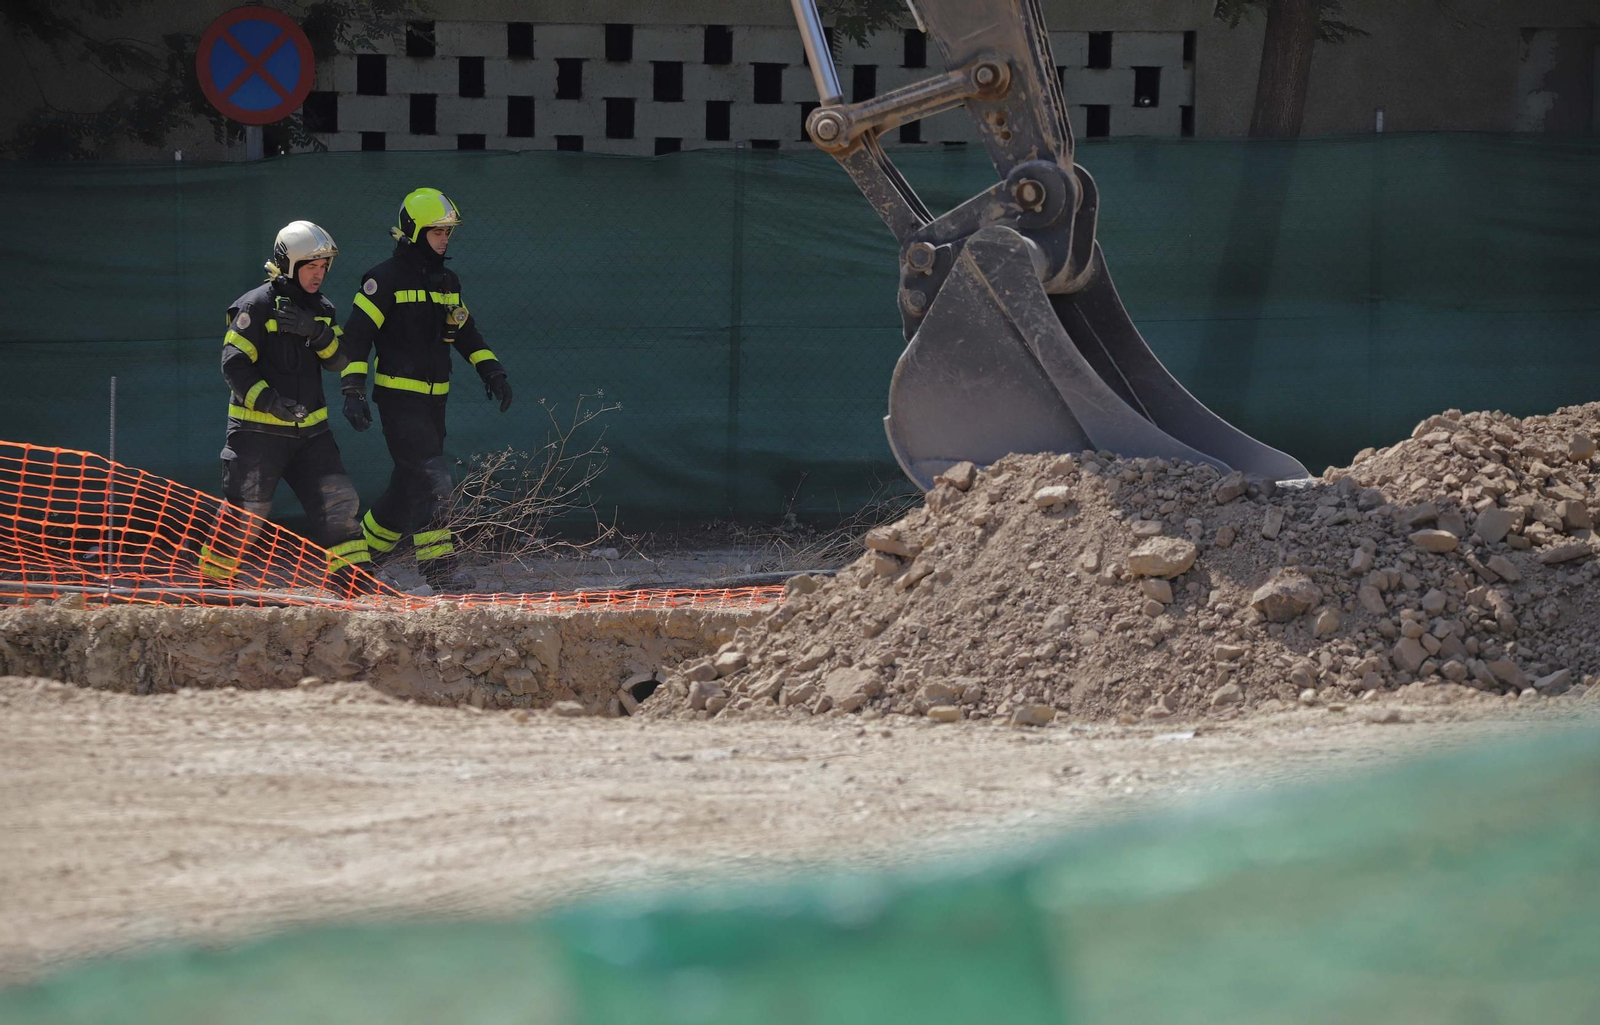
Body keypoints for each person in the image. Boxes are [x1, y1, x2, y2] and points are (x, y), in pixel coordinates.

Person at [338, 187, 512, 592]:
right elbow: (357, 339)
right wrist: (352, 391)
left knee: (404, 494)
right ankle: (441, 571)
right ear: (413, 232)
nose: (445, 239)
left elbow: (466, 333)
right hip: (398, 401)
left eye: (448, 232)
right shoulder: (382, 280)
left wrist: (493, 373)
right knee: (433, 480)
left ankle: (357, 566)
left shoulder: (447, 281)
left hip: (435, 403)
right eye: (437, 232)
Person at [202, 220, 373, 591]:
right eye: (311, 266)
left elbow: (340, 359)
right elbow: (233, 363)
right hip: (256, 434)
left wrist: (315, 330)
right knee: (245, 518)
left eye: (324, 266)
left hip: (312, 435)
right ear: (289, 265)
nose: (320, 274)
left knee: (339, 504)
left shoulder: (322, 309)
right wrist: (270, 401)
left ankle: (355, 586)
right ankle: (210, 591)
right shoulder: (255, 305)